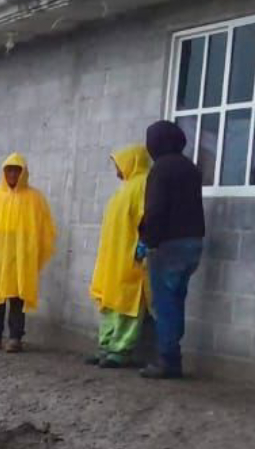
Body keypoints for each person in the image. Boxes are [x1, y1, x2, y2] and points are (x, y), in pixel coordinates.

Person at [0, 153, 56, 352]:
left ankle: (15, 337)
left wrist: (34, 253)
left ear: (23, 172)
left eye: (17, 170)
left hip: (20, 257)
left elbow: (45, 229)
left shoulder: (35, 198)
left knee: (17, 296)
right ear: (3, 172)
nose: (13, 174)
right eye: (9, 170)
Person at [139, 120, 205, 379]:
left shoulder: (161, 169)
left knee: (165, 302)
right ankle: (172, 355)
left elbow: (155, 210)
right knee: (177, 299)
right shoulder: (191, 168)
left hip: (169, 244)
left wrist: (147, 240)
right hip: (193, 242)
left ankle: (168, 360)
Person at [88, 144, 152, 369]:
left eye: (118, 163)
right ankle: (105, 346)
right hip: (114, 255)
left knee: (128, 303)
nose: (116, 168)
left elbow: (148, 217)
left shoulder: (144, 184)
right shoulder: (125, 188)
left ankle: (120, 350)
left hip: (130, 255)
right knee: (110, 301)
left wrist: (142, 245)